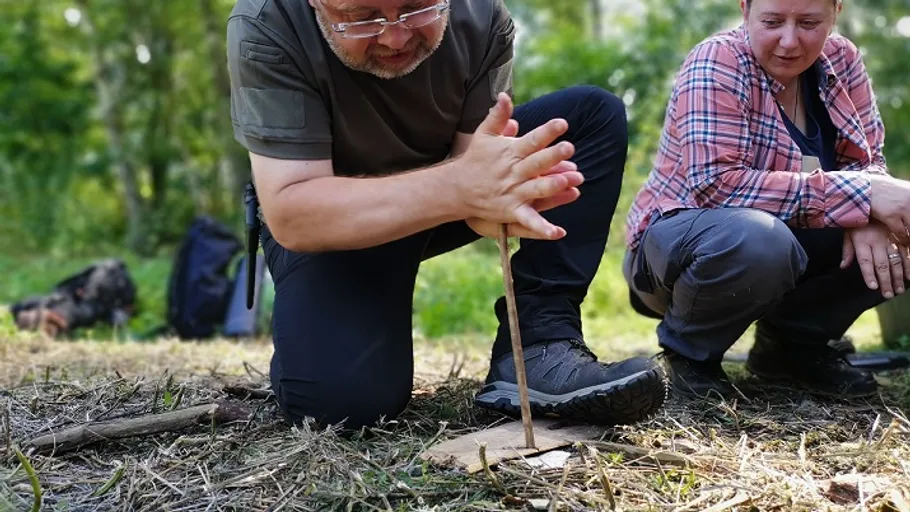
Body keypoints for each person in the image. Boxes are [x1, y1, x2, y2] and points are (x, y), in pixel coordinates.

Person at [226, 0, 668, 430]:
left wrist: (501, 201)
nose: (396, 36)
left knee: (590, 117)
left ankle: (539, 345)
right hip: (334, 221)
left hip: (445, 189)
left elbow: (475, 164)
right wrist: (462, 189)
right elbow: (293, 213)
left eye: (418, 8)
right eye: (361, 18)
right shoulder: (267, 23)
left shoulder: (480, 13)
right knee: (342, 405)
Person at [624, 0, 910, 399]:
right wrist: (864, 197)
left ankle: (791, 347)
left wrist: (873, 214)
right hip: (679, 253)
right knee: (761, 237)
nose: (789, 42)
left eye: (809, 23)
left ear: (836, 13)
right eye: (772, 22)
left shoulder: (842, 60)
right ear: (745, 9)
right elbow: (718, 186)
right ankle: (688, 358)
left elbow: (867, 162)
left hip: (789, 243)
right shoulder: (718, 60)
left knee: (901, 219)